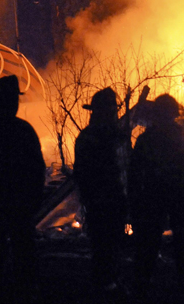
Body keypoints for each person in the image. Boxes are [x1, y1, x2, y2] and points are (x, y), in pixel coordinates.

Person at [0, 74, 45, 304]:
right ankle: (24, 294)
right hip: (19, 208)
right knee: (24, 254)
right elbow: (37, 171)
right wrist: (33, 203)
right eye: (15, 99)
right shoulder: (23, 130)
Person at [131, 93, 184, 304]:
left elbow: (135, 172)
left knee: (148, 245)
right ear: (173, 114)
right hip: (179, 197)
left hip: (153, 197)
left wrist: (134, 200)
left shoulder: (146, 139)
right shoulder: (181, 137)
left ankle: (141, 289)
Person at [74, 87, 129, 301]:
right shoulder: (99, 138)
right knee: (105, 247)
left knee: (109, 246)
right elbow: (85, 173)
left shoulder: (97, 136)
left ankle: (107, 283)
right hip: (104, 201)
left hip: (109, 201)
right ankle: (104, 286)